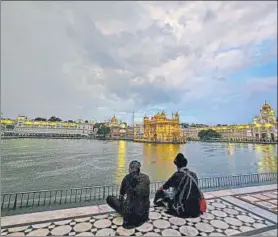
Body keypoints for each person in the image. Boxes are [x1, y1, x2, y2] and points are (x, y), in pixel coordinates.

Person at [154, 153, 201, 218]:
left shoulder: (177, 175)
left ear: (177, 165)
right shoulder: (194, 174)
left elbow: (164, 187)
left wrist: (158, 190)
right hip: (195, 209)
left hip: (182, 209)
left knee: (160, 192)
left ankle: (159, 204)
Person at [106, 160, 150, 229]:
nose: (128, 169)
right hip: (144, 214)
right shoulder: (146, 178)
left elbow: (121, 196)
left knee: (110, 198)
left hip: (130, 214)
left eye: (129, 168)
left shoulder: (126, 178)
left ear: (131, 169)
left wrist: (123, 200)